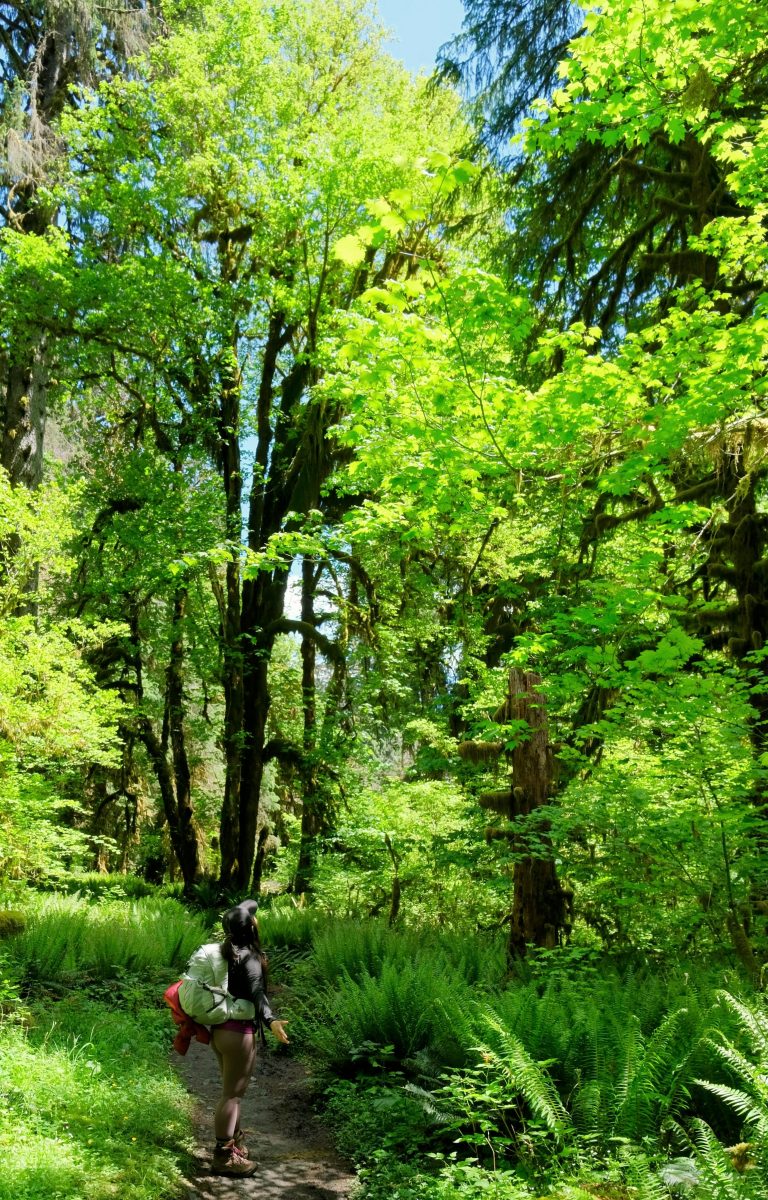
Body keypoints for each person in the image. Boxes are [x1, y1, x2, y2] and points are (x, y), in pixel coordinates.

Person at [209, 898, 290, 1177]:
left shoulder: (225, 953)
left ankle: (236, 1145)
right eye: (253, 918)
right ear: (251, 927)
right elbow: (257, 992)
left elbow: (250, 903)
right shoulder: (251, 956)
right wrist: (271, 1020)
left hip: (219, 1030)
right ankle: (223, 1157)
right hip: (238, 1034)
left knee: (230, 1093)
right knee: (232, 1095)